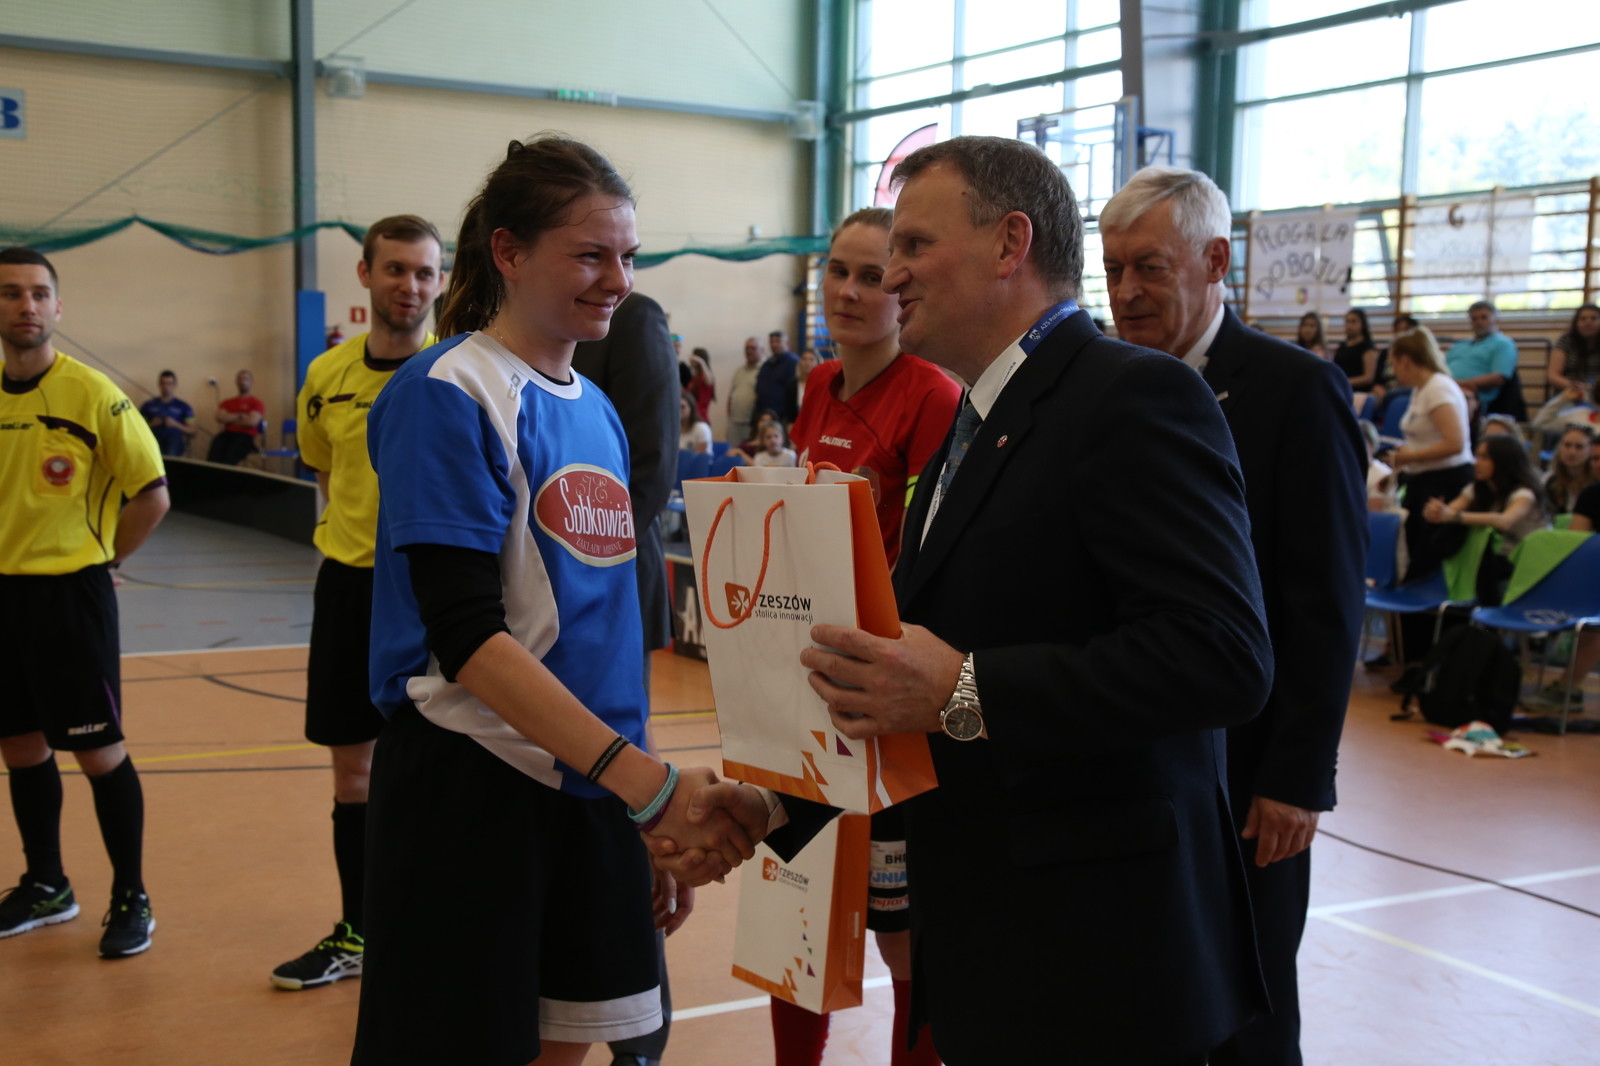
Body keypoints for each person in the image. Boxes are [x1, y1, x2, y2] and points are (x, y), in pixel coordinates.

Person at [659, 135, 1274, 1065]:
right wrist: (777, 809)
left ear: (1009, 243)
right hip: (1001, 944)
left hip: (1102, 960)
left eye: (914, 245)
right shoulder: (976, 424)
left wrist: (965, 689)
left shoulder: (1133, 396)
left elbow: (1222, 656)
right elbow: (908, 685)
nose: (892, 273)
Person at [350, 136, 752, 1066]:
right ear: (508, 251)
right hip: (473, 786)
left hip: (592, 782)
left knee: (572, 1044)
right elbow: (466, 637)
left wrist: (636, 808)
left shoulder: (596, 409)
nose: (618, 280)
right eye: (590, 254)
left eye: (628, 256)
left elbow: (602, 639)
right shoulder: (447, 391)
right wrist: (648, 790)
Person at [1100, 166, 1366, 1066]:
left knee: (1251, 1016)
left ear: (1216, 261)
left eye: (1150, 267)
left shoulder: (1298, 392)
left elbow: (1326, 601)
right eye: (1113, 270)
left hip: (1252, 777)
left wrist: (1298, 775)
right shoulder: (1108, 389)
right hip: (1138, 772)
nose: (1127, 292)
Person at [773, 206, 960, 1066]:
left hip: (883, 705)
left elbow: (928, 561)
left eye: (871, 275)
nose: (848, 291)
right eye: (836, 271)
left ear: (902, 286)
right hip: (808, 691)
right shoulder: (818, 384)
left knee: (900, 936)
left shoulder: (931, 396)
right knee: (796, 910)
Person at [270, 215, 444, 992]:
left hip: (430, 590)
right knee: (354, 771)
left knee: (442, 769)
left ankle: (437, 930)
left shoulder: (453, 374)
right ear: (366, 273)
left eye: (424, 273)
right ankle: (360, 932)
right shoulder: (326, 375)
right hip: (349, 587)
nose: (410, 286)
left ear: (440, 283)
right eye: (396, 269)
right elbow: (324, 470)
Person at [0, 247, 170, 958]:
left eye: (39, 293)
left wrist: (106, 562)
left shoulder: (92, 393)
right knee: (20, 746)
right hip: (4, 595)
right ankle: (47, 884)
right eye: (11, 293)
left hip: (70, 596)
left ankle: (132, 895)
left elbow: (152, 495)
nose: (26, 305)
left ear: (58, 306)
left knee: (98, 751)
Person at [573, 289, 684, 1066]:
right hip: (530, 605)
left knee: (620, 795)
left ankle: (639, 1033)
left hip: (604, 589)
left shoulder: (632, 319)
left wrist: (577, 566)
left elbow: (649, 472)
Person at [1421, 435, 1549, 606]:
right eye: (1477, 456)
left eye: (1484, 457)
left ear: (1503, 461)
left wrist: (1455, 517)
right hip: (1493, 563)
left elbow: (1505, 521)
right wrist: (1435, 511)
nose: (1476, 463)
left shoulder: (1524, 493)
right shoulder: (1478, 488)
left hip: (1526, 567)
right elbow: (1449, 511)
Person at [1446, 300, 1519, 409]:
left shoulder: (1503, 344)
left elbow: (1499, 377)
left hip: (1470, 397)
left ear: (1496, 320)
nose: (1479, 322)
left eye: (1484, 317)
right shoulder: (1458, 346)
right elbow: (1440, 369)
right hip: (1446, 389)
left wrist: (1460, 384)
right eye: (1474, 319)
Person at [208, 368, 265, 465]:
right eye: (240, 379)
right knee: (215, 450)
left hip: (245, 436)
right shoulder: (227, 402)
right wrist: (240, 416)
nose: (242, 381)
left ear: (251, 382)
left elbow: (251, 422)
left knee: (229, 455)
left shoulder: (256, 403)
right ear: (236, 382)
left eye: (245, 379)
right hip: (227, 434)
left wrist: (229, 418)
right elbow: (219, 417)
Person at [140, 370, 197, 457]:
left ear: (175, 385)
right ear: (159, 384)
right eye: (163, 383)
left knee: (172, 441)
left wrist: (175, 424)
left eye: (169, 383)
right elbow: (137, 428)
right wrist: (152, 424)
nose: (166, 386)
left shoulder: (183, 406)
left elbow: (193, 431)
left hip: (174, 440)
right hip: (153, 438)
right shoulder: (148, 405)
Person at [1548, 303, 1600, 395]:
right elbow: (1552, 376)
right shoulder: (1565, 341)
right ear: (1576, 323)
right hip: (1569, 393)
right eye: (1583, 319)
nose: (1588, 322)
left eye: (1594, 318)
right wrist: (1576, 386)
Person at [1333, 308, 1381, 401]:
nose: (1349, 325)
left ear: (1362, 324)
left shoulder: (1367, 347)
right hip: (1340, 389)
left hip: (1359, 393)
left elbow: (1368, 377)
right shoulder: (1342, 346)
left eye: (1353, 322)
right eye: (1347, 321)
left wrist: (1345, 382)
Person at [755, 330, 799, 423]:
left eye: (778, 341)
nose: (774, 345)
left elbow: (794, 392)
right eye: (772, 342)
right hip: (764, 415)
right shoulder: (767, 363)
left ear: (787, 343)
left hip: (782, 417)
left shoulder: (794, 363)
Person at [726, 337, 762, 447]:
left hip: (751, 424)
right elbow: (732, 394)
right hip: (735, 423)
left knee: (749, 454)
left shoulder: (764, 370)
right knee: (733, 452)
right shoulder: (739, 371)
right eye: (747, 348)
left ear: (762, 350)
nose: (749, 351)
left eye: (753, 348)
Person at [685, 345, 715, 421]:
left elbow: (709, 380)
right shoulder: (694, 378)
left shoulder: (706, 377)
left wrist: (701, 361)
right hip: (692, 417)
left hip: (701, 418)